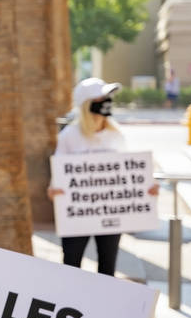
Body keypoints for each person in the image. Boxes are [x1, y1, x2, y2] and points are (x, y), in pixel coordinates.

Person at [48, 77, 158, 276]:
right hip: (78, 215)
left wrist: (146, 189)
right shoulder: (69, 136)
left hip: (109, 215)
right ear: (87, 104)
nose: (107, 102)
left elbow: (128, 175)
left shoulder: (116, 135)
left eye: (108, 97)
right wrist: (54, 191)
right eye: (102, 98)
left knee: (108, 266)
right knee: (71, 266)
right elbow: (57, 179)